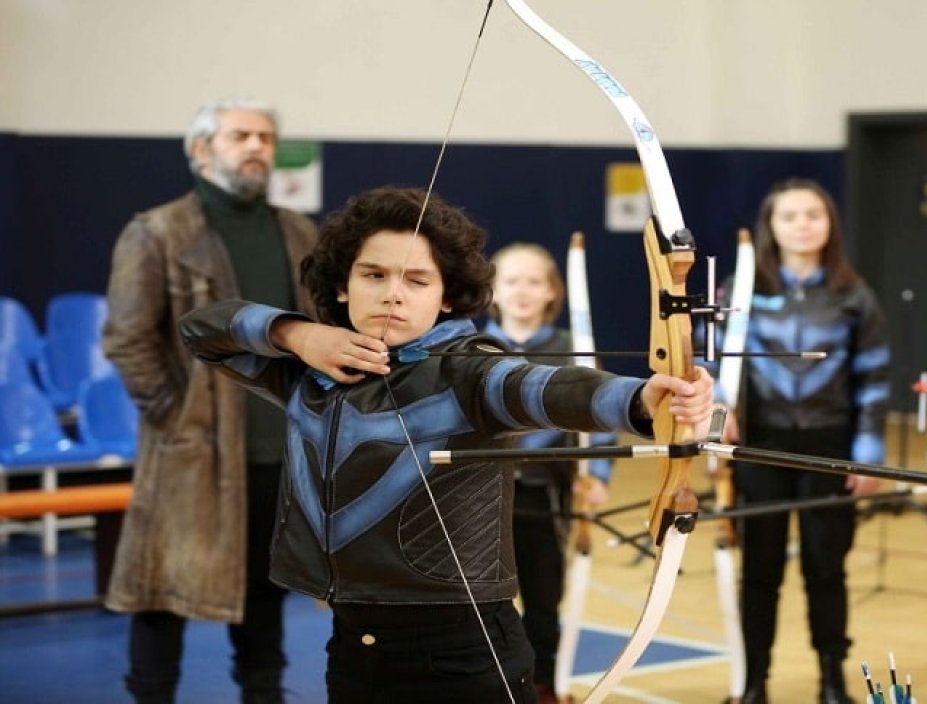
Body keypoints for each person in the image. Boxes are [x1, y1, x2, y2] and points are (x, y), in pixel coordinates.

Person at [177, 186, 715, 703]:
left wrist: (644, 400)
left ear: (446, 297)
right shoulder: (307, 372)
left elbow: (546, 388)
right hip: (352, 646)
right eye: (374, 274)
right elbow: (202, 331)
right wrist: (296, 335)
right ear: (343, 285)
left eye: (417, 280)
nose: (392, 292)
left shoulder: (471, 371)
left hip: (462, 652)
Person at [102, 97, 316, 704]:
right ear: (201, 151)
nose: (256, 147)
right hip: (188, 455)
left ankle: (264, 695)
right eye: (240, 135)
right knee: (159, 593)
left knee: (265, 598)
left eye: (266, 138)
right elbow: (127, 338)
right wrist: (176, 416)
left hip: (278, 450)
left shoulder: (300, 230)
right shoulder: (157, 231)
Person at [718, 179, 891, 704]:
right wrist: (718, 413)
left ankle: (832, 681)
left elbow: (875, 381)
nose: (802, 224)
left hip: (829, 448)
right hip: (760, 448)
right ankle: (753, 684)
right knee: (760, 572)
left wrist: (868, 453)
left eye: (813, 214)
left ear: (829, 224)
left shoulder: (854, 295)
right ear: (771, 226)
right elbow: (712, 360)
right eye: (789, 216)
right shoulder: (741, 290)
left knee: (826, 568)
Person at [484, 242, 613, 703]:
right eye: (511, 280)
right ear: (492, 291)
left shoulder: (570, 351)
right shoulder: (471, 349)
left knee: (542, 600)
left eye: (534, 281)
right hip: (480, 496)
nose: (522, 291)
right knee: (484, 602)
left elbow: (601, 422)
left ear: (552, 292)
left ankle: (544, 687)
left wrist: (596, 475)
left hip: (542, 493)